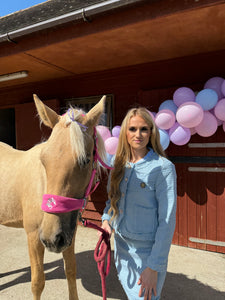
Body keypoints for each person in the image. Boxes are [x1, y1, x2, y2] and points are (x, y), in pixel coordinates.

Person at [101, 107, 177, 300]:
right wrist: (106, 220)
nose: (138, 134)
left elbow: (167, 221)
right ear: (125, 132)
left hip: (148, 253)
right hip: (121, 247)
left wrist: (153, 267)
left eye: (144, 129)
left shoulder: (163, 168)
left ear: (151, 132)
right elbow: (112, 201)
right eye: (132, 129)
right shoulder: (117, 165)